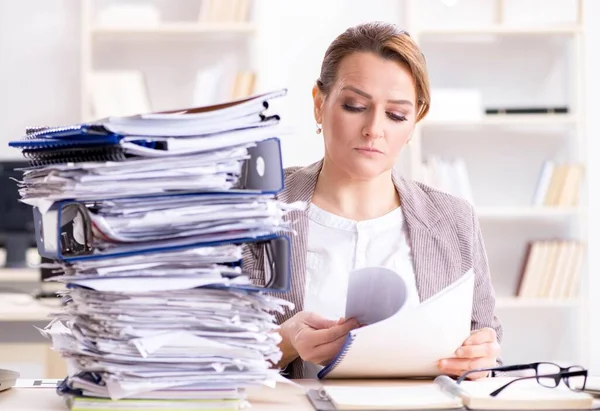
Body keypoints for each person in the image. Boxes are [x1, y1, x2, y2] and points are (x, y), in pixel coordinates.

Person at [243, 21, 502, 380]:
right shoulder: (255, 212)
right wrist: (283, 342)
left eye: (396, 115)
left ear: (415, 121)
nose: (374, 129)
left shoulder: (454, 219)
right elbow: (209, 357)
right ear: (319, 104)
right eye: (354, 105)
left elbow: (486, 350)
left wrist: (480, 362)